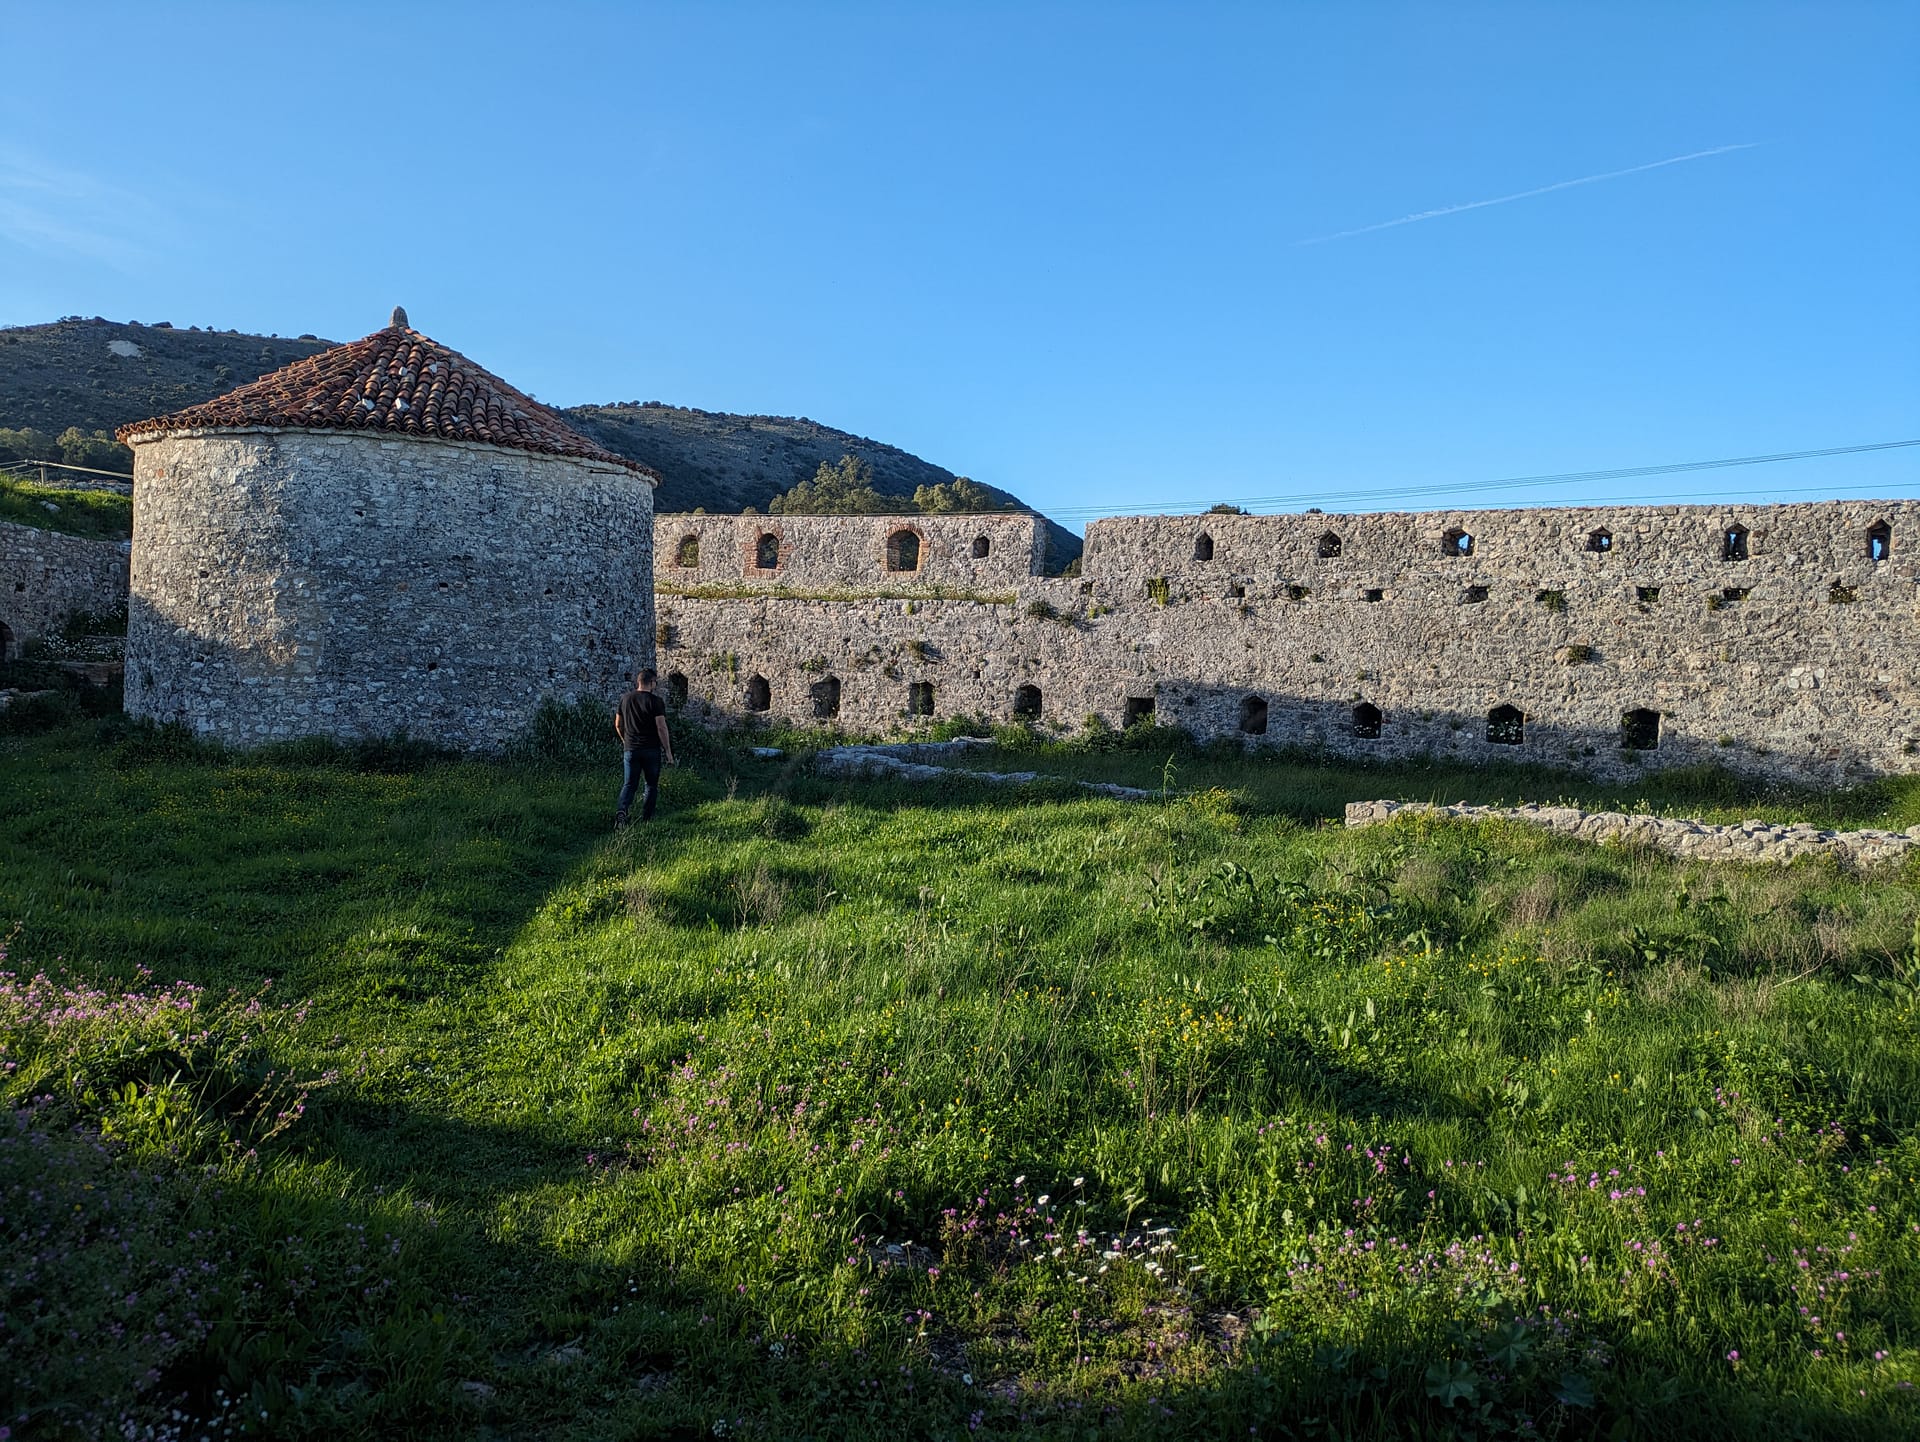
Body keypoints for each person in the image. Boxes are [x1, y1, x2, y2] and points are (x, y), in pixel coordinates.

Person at [613, 668, 673, 826]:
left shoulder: (625, 699)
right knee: (651, 784)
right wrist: (667, 751)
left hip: (631, 749)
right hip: (651, 749)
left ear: (638, 682)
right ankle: (647, 818)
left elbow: (618, 724)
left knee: (629, 784)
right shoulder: (656, 701)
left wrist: (625, 740)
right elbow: (661, 727)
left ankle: (622, 812)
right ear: (652, 683)